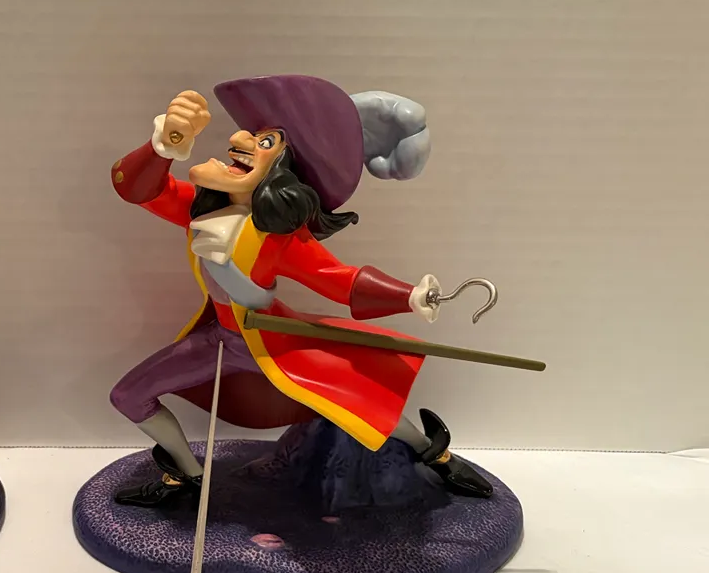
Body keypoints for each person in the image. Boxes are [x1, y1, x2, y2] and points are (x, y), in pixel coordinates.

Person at [109, 74, 492, 507]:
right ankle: (187, 474)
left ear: (281, 172)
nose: (236, 139)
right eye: (249, 134)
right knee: (128, 396)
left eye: (264, 141)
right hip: (219, 341)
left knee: (355, 400)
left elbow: (340, 279)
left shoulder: (282, 238)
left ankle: (434, 453)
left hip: (273, 344)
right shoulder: (201, 207)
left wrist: (412, 296)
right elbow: (137, 188)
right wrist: (163, 147)